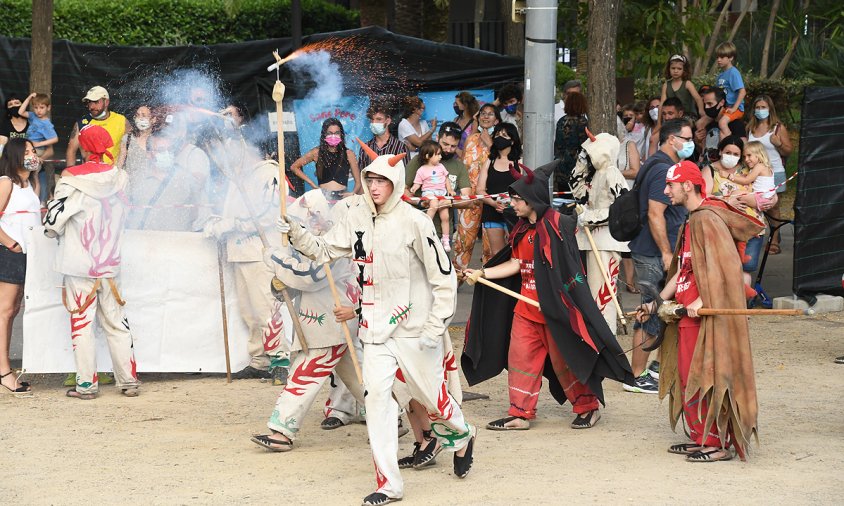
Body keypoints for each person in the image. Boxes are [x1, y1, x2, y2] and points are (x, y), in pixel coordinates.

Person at [277, 147, 476, 506]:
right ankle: (389, 484)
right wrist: (294, 231)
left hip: (416, 331)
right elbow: (323, 250)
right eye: (370, 179)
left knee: (433, 398)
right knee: (379, 401)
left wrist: (435, 325)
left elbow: (443, 278)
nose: (374, 186)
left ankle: (462, 435)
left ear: (396, 183)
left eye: (382, 180)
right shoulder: (356, 219)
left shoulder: (415, 222)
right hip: (374, 333)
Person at [462, 162, 634, 431]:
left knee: (565, 359)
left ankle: (588, 407)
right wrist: (483, 273)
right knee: (520, 358)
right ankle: (520, 412)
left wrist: (561, 299)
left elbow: (571, 271)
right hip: (526, 308)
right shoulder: (521, 229)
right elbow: (517, 264)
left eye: (517, 199)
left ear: (533, 199)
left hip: (556, 311)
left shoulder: (558, 226)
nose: (513, 204)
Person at [636, 160, 763, 462]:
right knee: (686, 375)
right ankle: (701, 436)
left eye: (670, 185)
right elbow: (682, 269)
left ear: (687, 186)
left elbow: (728, 268)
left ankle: (716, 443)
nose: (666, 190)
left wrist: (704, 301)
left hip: (706, 316)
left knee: (707, 376)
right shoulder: (691, 220)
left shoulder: (708, 219)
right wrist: (656, 303)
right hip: (686, 315)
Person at [250, 190, 365, 452]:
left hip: (333, 322)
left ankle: (282, 431)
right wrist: (280, 284)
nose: (311, 221)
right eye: (305, 217)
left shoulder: (337, 241)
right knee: (360, 378)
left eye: (315, 215)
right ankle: (393, 417)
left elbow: (311, 277)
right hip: (322, 323)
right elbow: (295, 284)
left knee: (305, 374)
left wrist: (277, 259)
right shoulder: (307, 241)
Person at [44, 125, 140, 400]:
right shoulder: (121, 178)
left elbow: (53, 223)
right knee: (116, 322)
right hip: (110, 262)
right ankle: (128, 381)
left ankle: (86, 385)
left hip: (79, 263)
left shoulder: (70, 180)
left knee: (82, 323)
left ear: (84, 148)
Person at [201, 138, 287, 382]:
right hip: (240, 253)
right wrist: (219, 221)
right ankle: (260, 360)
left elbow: (270, 213)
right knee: (249, 313)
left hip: (261, 253)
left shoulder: (269, 173)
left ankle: (280, 358)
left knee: (266, 310)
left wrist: (232, 225)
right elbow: (232, 210)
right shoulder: (238, 177)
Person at [626, 119, 693, 393]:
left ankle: (651, 366)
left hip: (652, 251)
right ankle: (636, 375)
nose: (691, 143)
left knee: (659, 310)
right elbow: (656, 213)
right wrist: (667, 253)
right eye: (686, 138)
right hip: (653, 253)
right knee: (650, 310)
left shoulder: (657, 163)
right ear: (671, 140)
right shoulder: (662, 169)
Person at [569, 131, 629, 334]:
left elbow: (623, 207)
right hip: (591, 238)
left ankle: (606, 336)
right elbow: (576, 189)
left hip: (606, 239)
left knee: (602, 294)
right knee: (593, 293)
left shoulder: (612, 172)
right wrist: (581, 161)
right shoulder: (596, 174)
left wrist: (591, 216)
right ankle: (598, 335)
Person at [0, 138, 40, 393]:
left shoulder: (30, 184)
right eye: (27, 151)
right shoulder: (6, 183)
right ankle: (4, 370)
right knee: (5, 311)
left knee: (13, 310)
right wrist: (11, 243)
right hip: (11, 252)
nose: (32, 155)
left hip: (29, 252)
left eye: (34, 150)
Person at [700, 136, 766, 291]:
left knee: (746, 267)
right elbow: (704, 196)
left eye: (736, 154)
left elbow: (767, 191)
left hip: (750, 227)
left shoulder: (749, 169)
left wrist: (770, 199)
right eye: (728, 152)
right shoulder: (709, 170)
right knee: (722, 268)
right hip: (722, 227)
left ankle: (742, 307)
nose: (731, 156)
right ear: (721, 151)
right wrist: (727, 201)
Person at [454, 103, 500, 274]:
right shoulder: (471, 138)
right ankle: (457, 277)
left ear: (496, 120)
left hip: (489, 196)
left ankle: (489, 278)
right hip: (470, 195)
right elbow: (463, 165)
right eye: (483, 114)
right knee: (464, 240)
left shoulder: (499, 140)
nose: (486, 117)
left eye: (490, 114)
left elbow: (502, 162)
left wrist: (491, 144)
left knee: (490, 243)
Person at [747, 95, 792, 254]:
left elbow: (788, 150)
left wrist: (778, 143)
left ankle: (774, 240)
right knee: (758, 206)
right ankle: (771, 233)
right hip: (755, 174)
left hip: (774, 173)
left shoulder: (777, 128)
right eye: (757, 107)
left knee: (773, 207)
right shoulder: (750, 128)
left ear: (770, 109)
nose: (760, 110)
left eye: (763, 107)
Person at [476, 122, 521, 261]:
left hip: (515, 214)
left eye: (504, 135)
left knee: (516, 252)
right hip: (492, 213)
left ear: (512, 141)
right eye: (497, 135)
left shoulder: (519, 162)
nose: (499, 138)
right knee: (497, 254)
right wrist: (494, 204)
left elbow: (526, 190)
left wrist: (511, 205)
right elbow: (480, 190)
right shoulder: (490, 161)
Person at [289, 118, 361, 197]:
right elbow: (294, 167)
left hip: (343, 198)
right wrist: (311, 183)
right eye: (330, 133)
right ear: (324, 135)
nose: (333, 136)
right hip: (322, 198)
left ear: (341, 135)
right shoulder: (316, 152)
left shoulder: (349, 154)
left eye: (337, 133)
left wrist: (352, 194)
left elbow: (358, 182)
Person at [65, 86, 130, 169]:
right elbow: (71, 151)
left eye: (96, 102)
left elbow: (133, 146)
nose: (91, 106)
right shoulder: (82, 123)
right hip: (90, 175)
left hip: (114, 175)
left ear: (106, 102)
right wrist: (71, 173)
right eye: (89, 102)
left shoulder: (122, 121)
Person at [410, 140, 455, 251]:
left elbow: (446, 179)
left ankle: (445, 239)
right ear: (427, 156)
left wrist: (450, 189)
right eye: (438, 154)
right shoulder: (421, 170)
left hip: (442, 194)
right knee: (434, 202)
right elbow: (417, 183)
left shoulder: (441, 167)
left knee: (445, 216)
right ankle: (426, 227)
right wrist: (414, 188)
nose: (440, 156)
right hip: (429, 193)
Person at [618, 104, 642, 293]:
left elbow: (636, 171)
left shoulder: (628, 145)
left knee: (626, 243)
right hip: (610, 197)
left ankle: (630, 282)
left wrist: (615, 173)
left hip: (627, 196)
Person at [553, 91, 589, 192]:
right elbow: (584, 146)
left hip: (559, 164)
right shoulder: (582, 122)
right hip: (575, 165)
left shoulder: (561, 121)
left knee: (562, 195)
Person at [730, 140, 778, 211]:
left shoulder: (759, 166)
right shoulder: (766, 167)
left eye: (749, 155)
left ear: (759, 154)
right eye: (744, 156)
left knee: (735, 193)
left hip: (761, 199)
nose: (746, 159)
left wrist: (730, 176)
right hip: (766, 198)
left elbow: (746, 180)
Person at [358, 102, 409, 167]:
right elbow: (362, 174)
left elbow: (406, 174)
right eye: (372, 120)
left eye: (379, 119)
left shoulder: (400, 147)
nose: (374, 123)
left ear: (388, 121)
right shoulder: (365, 148)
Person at [715, 42, 746, 139]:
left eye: (722, 57)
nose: (718, 60)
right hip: (725, 108)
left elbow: (742, 91)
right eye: (717, 57)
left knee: (722, 123)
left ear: (731, 58)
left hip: (735, 109)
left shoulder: (733, 72)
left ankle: (731, 143)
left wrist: (734, 108)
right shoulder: (720, 75)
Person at [123, 105, 158, 191]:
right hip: (130, 188)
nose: (140, 118)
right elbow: (120, 164)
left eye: (144, 115)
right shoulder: (127, 139)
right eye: (137, 115)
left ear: (153, 119)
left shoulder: (158, 141)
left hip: (152, 188)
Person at [659, 54, 704, 120]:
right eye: (673, 68)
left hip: (688, 115)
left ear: (684, 70)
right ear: (669, 69)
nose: (676, 71)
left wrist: (701, 112)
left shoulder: (687, 84)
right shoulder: (666, 85)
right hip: (671, 115)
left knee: (681, 125)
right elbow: (662, 104)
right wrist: (659, 123)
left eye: (679, 69)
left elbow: (698, 99)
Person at [17, 92, 58, 160]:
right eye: (36, 108)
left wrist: (39, 144)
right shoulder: (33, 116)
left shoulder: (46, 124)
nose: (38, 110)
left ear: (48, 108)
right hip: (29, 147)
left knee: (27, 163)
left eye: (42, 107)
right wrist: (29, 98)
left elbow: (55, 139)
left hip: (37, 149)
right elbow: (20, 112)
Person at [452, 91, 479, 157]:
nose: (454, 105)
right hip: (453, 157)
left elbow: (471, 144)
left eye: (456, 103)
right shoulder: (456, 120)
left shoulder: (474, 122)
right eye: (454, 103)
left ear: (465, 105)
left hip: (466, 158)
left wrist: (455, 149)